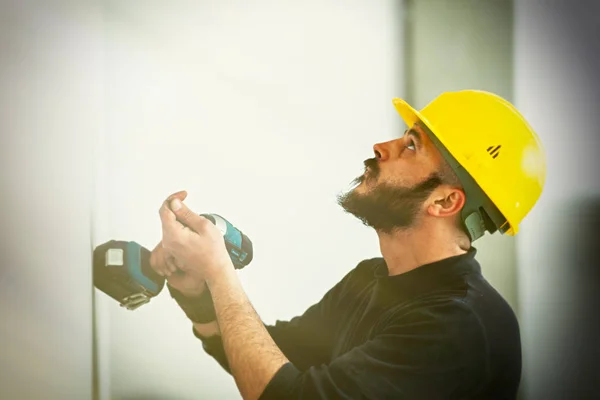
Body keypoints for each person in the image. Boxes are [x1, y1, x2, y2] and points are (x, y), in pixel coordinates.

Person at [150, 90, 546, 399]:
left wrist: (220, 272)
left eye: (411, 145)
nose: (381, 146)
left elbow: (286, 397)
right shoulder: (370, 280)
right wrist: (197, 290)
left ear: (444, 201)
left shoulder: (457, 326)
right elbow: (273, 356)